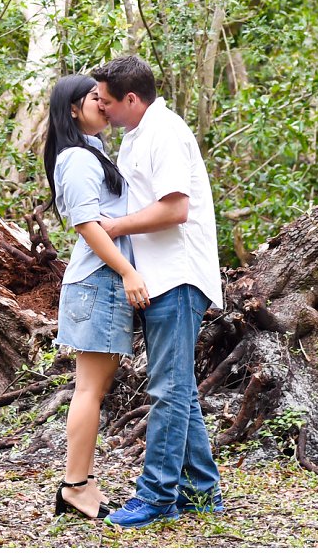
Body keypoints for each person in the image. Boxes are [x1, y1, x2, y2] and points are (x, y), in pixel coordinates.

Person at [89, 54, 224, 528]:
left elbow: (175, 210)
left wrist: (112, 226)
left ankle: (156, 496)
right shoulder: (134, 137)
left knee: (167, 390)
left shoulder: (164, 132)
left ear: (131, 98)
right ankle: (202, 492)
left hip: (178, 276)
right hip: (158, 276)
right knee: (179, 388)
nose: (101, 109)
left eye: (105, 101)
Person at [42, 73, 151, 521]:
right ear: (72, 108)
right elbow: (87, 225)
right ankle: (75, 486)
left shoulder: (94, 152)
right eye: (93, 99)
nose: (103, 105)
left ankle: (79, 482)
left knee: (94, 387)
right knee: (89, 389)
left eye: (105, 99)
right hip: (100, 280)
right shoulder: (78, 159)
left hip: (99, 281)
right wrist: (127, 271)